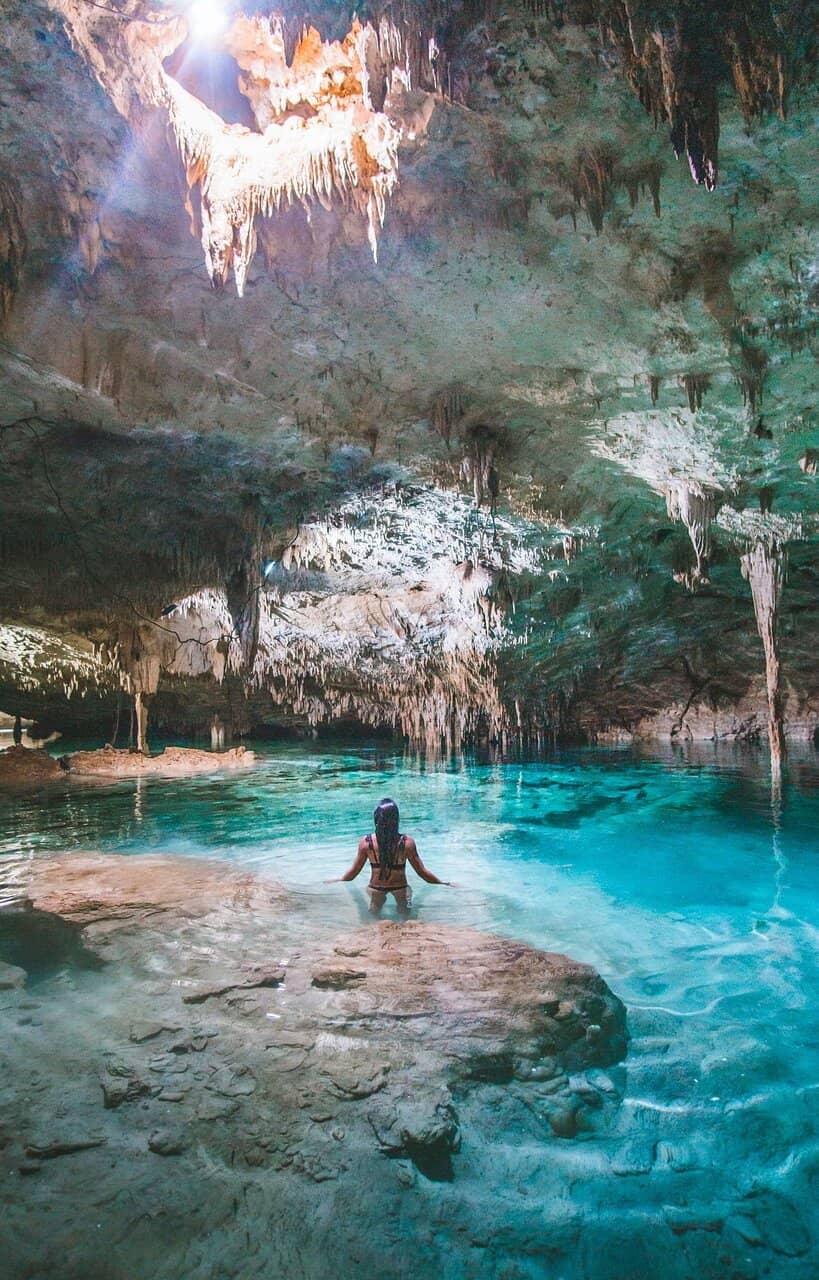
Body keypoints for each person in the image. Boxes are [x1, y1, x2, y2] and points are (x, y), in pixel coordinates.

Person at [326, 797, 452, 916]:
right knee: (405, 913)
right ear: (396, 819)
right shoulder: (407, 842)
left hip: (376, 888)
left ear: (376, 819)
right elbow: (422, 873)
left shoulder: (366, 842)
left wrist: (339, 880)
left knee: (373, 912)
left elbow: (354, 872)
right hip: (400, 888)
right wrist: (444, 883)